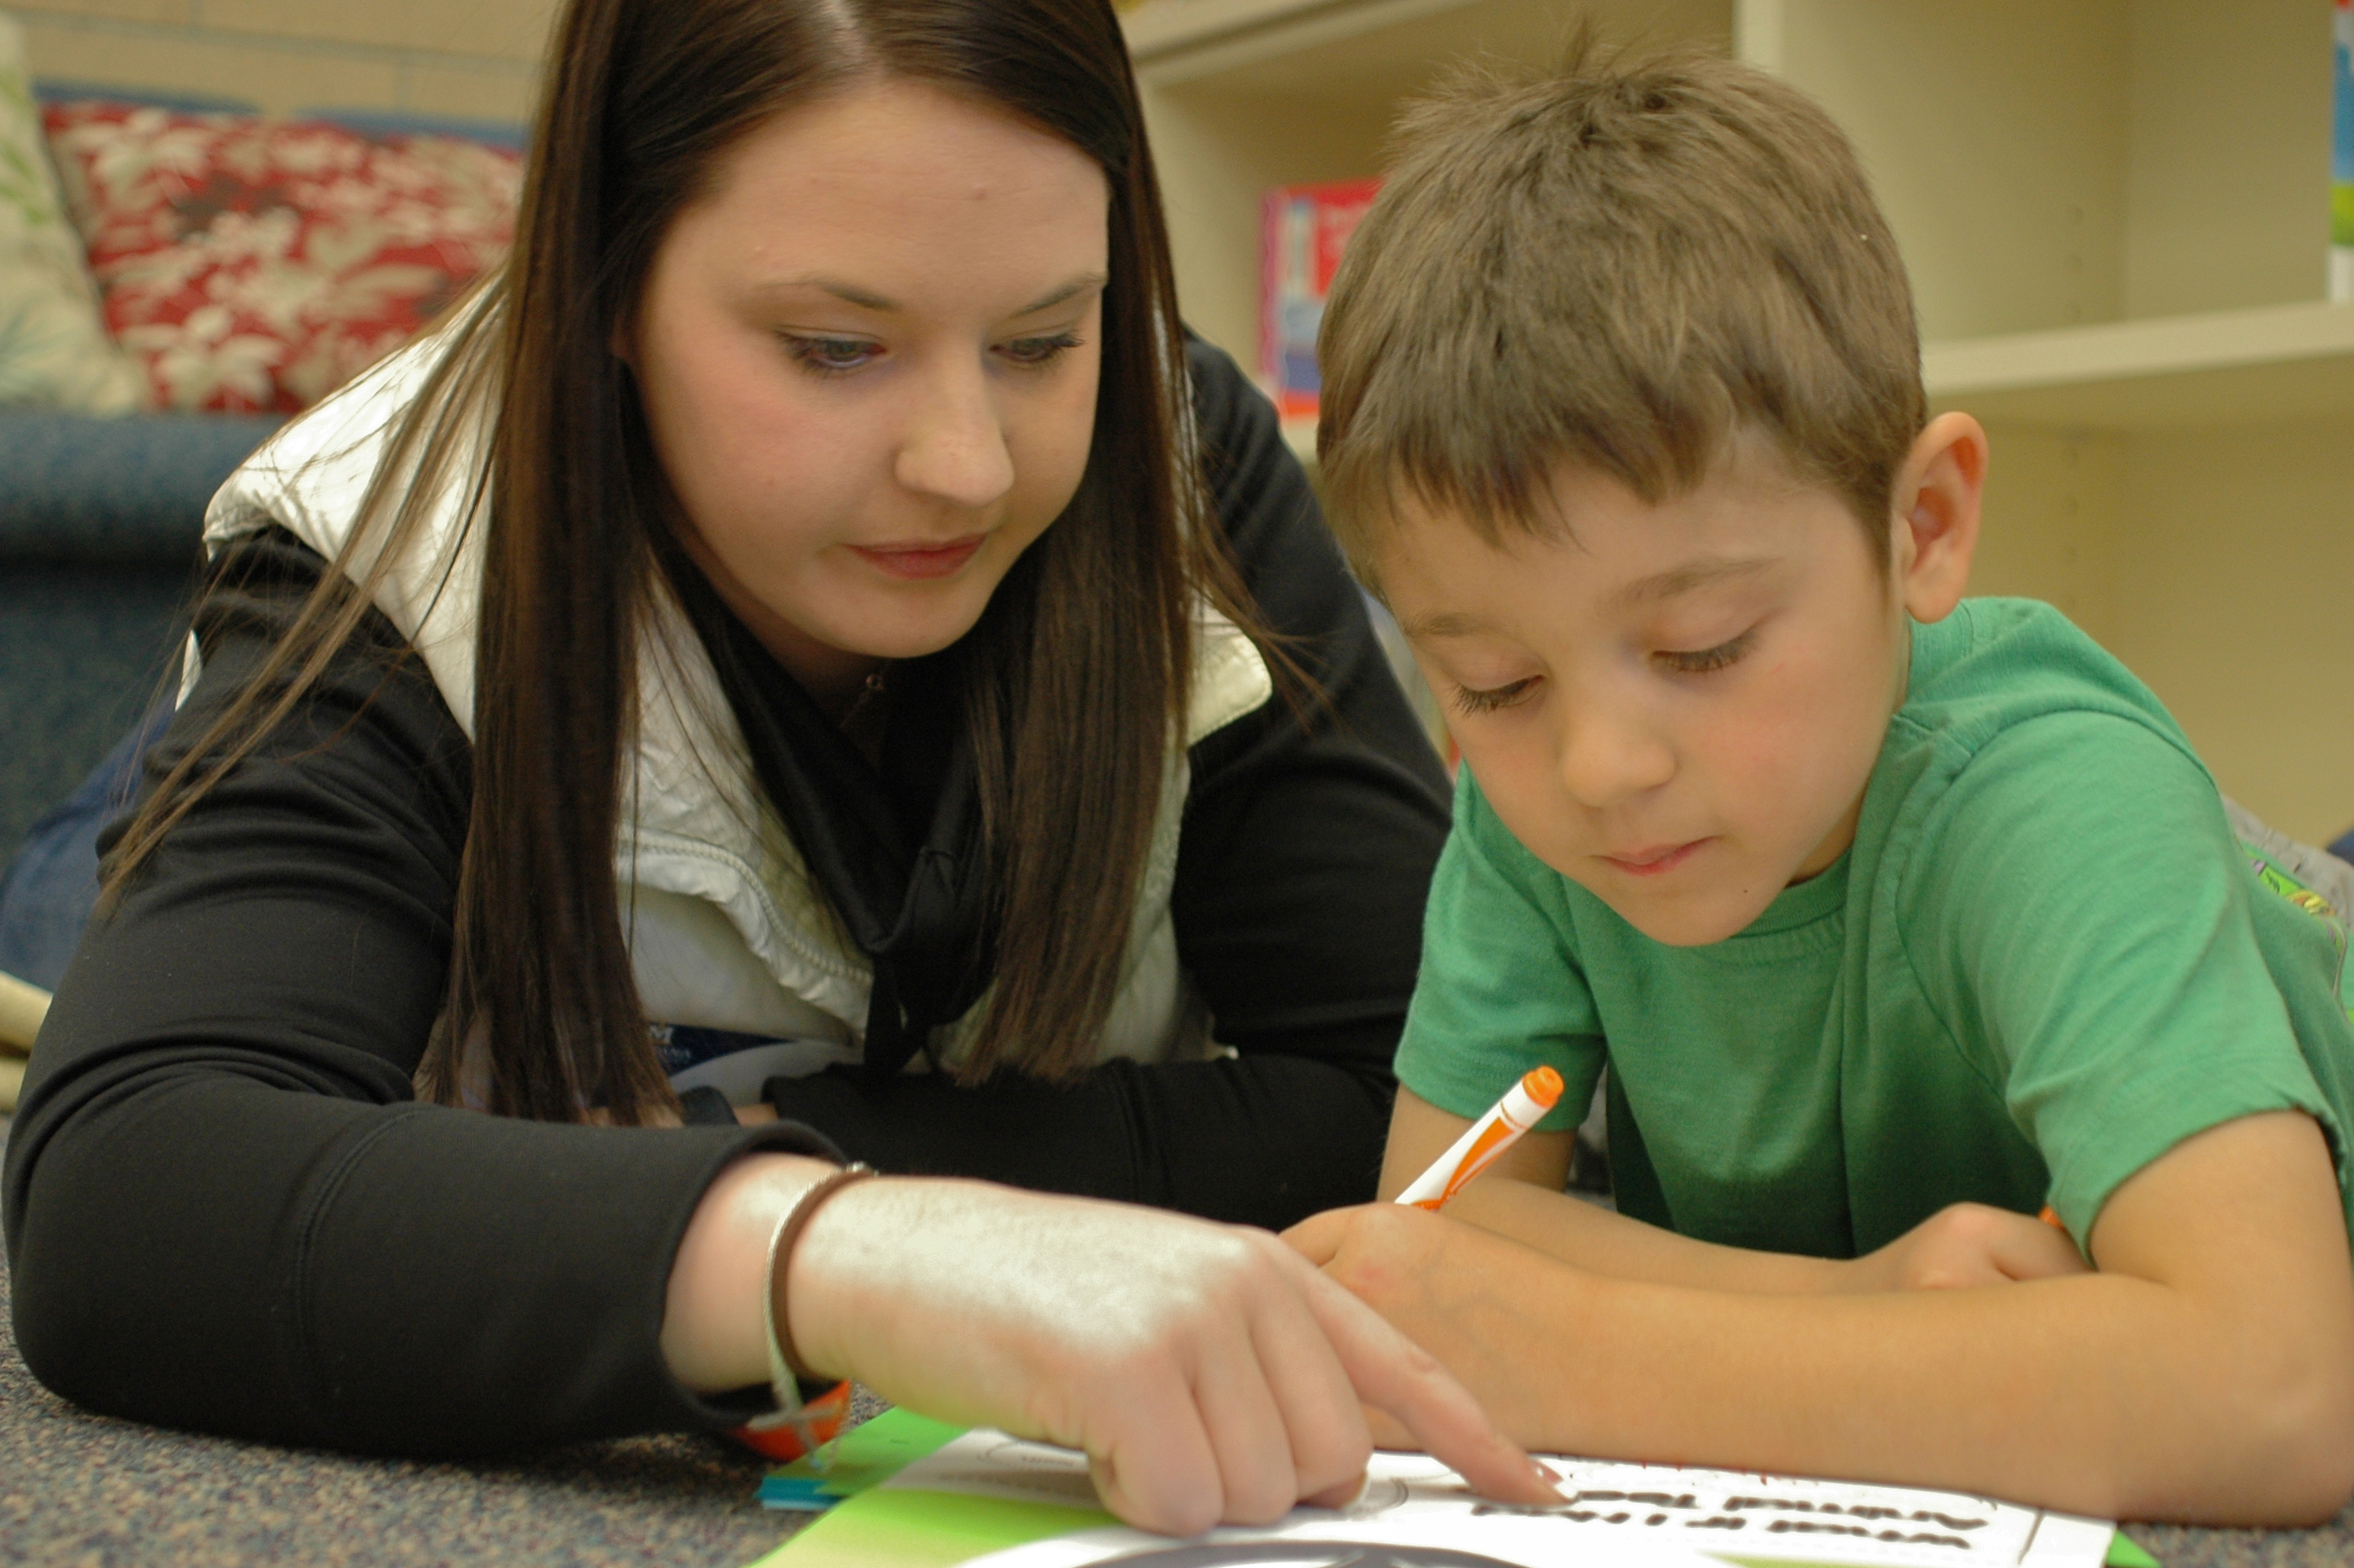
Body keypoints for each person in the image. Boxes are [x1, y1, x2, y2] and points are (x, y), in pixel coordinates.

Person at [0, 0, 1564, 1534]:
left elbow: (1421, 1112)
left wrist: (863, 1158)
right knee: (58, 973)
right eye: (833, 346)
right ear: (604, 280)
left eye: (1041, 338)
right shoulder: (390, 561)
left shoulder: (1181, 452)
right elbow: (125, 1198)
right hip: (338, 761)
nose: (964, 461)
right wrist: (839, 1250)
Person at [1284, 42, 2354, 1526]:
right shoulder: (1529, 808)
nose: (1601, 769)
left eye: (1704, 646)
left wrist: (1595, 1351)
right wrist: (1862, 1299)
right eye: (1496, 684)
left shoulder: (2044, 796)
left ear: (1919, 526)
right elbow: (1441, 1224)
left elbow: (2279, 1394)